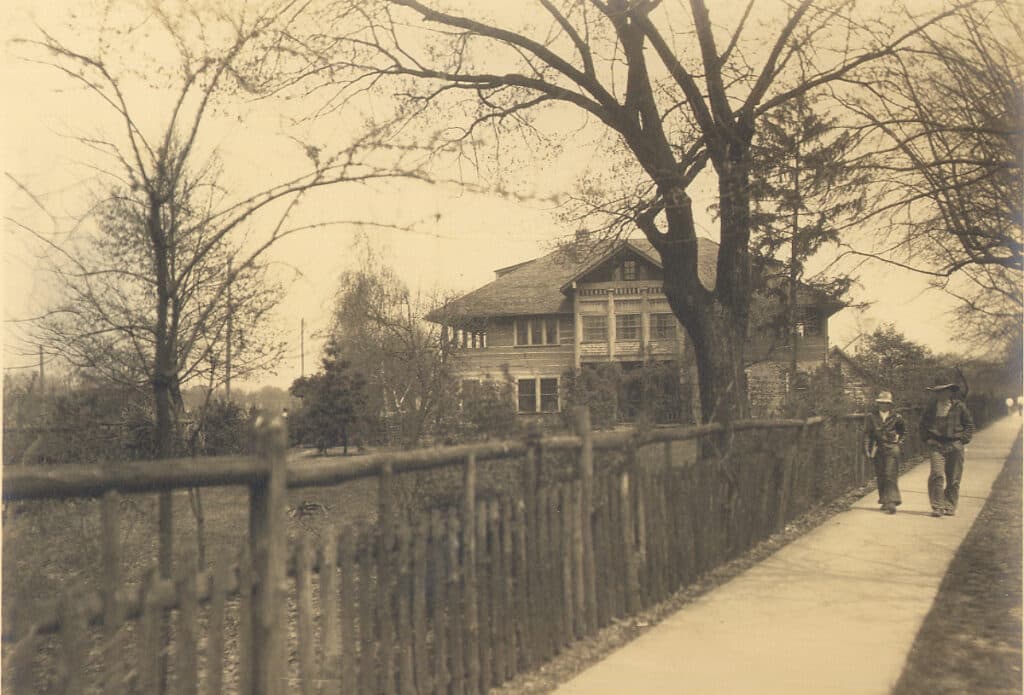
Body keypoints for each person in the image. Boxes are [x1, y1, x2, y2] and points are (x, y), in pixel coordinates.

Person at [919, 378, 975, 517]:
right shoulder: (931, 408)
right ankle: (937, 506)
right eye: (938, 392)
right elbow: (922, 425)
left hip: (955, 445)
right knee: (937, 474)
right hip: (936, 446)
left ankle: (950, 505)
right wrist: (928, 439)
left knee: (954, 478)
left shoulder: (959, 406)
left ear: (950, 392)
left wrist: (962, 440)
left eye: (944, 391)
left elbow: (969, 425)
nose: (941, 395)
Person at [863, 391, 906, 514]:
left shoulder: (897, 417)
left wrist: (899, 443)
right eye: (881, 403)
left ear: (890, 404)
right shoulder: (871, 417)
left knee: (889, 474)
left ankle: (892, 501)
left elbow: (904, 432)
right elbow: (867, 434)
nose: (883, 405)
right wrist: (867, 449)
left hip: (892, 448)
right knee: (881, 475)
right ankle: (884, 500)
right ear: (878, 404)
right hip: (878, 448)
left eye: (886, 403)